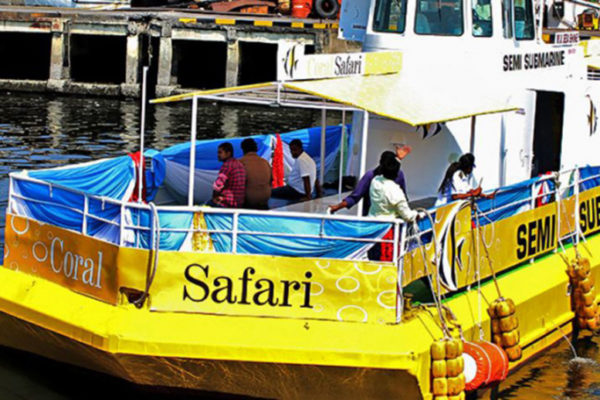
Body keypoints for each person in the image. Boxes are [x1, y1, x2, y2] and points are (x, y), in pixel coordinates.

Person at [329, 145, 410, 216]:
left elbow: (404, 198)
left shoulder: (398, 175)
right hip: (373, 219)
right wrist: (337, 207)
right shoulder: (371, 176)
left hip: (390, 219)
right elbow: (354, 197)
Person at [368, 154, 420, 222]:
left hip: (372, 222)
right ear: (396, 173)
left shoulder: (375, 181)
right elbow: (407, 216)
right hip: (387, 226)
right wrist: (417, 215)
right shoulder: (395, 191)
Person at [208, 142, 246, 208]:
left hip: (227, 202)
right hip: (239, 202)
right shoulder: (239, 164)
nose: (218, 155)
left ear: (228, 153)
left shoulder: (227, 165)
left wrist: (214, 197)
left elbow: (218, 185)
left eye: (220, 152)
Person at [239, 138, 271, 210]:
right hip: (265, 201)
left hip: (248, 203)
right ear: (256, 149)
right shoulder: (265, 162)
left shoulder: (240, 162)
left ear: (243, 149)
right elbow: (270, 181)